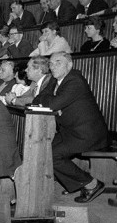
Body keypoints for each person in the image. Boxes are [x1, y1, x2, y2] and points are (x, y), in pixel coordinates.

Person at [41, 52, 108, 202]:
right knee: (44, 151)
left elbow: (51, 104)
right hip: (70, 131)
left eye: (58, 62)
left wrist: (53, 103)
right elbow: (40, 98)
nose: (53, 67)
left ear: (69, 65)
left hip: (86, 133)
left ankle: (92, 184)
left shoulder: (75, 80)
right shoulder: (55, 80)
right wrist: (53, 102)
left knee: (53, 155)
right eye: (51, 63)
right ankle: (77, 184)